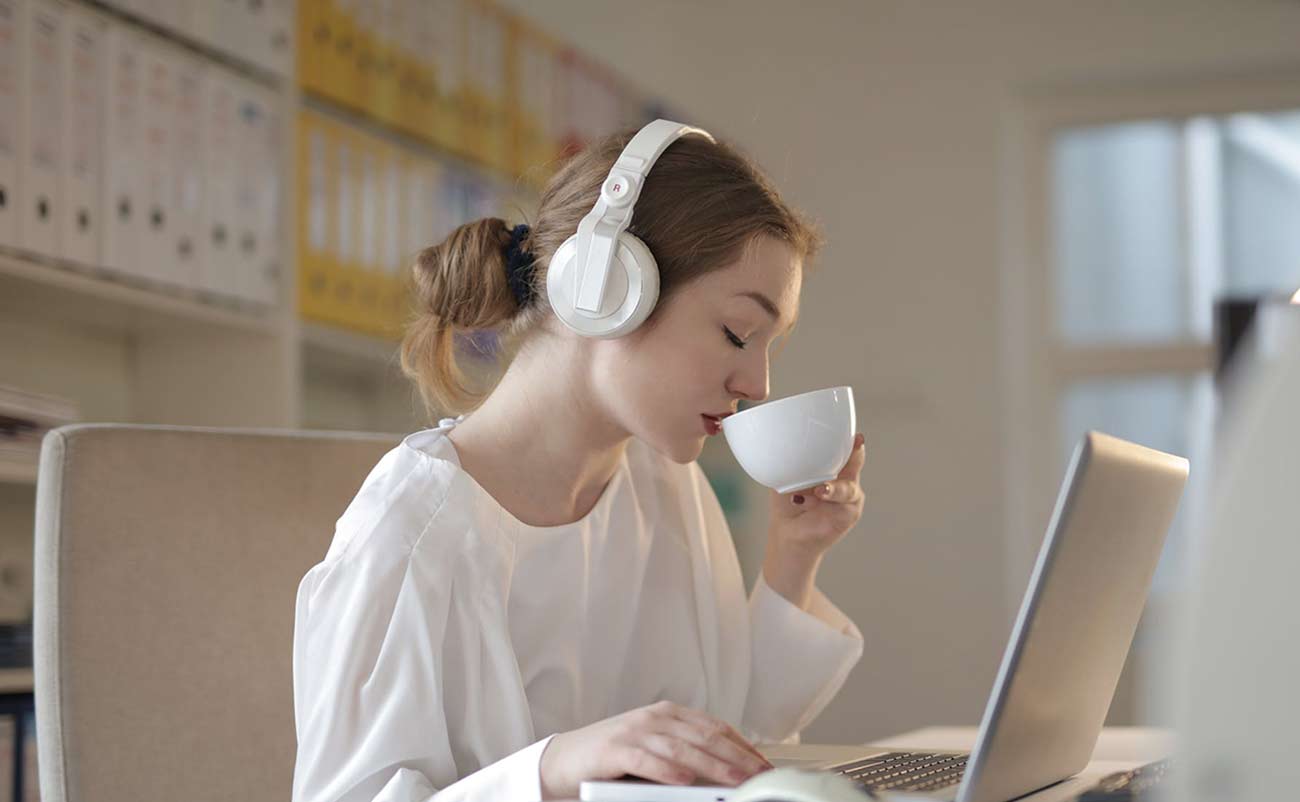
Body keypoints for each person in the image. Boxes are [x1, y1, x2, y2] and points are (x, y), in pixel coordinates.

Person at [291, 120, 868, 802]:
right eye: (738, 333)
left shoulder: (667, 485)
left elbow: (726, 747)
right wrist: (552, 771)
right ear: (603, 289)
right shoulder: (411, 533)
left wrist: (794, 557)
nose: (758, 385)